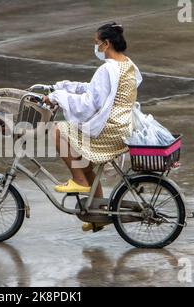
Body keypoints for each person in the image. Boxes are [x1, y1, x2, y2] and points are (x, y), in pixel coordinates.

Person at [43, 22, 143, 232]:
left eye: (97, 43)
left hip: (109, 130)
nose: (96, 47)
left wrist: (57, 97)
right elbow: (98, 91)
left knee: (58, 130)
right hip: (122, 127)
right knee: (85, 161)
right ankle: (97, 215)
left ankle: (78, 180)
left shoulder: (106, 68)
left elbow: (88, 105)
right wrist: (67, 87)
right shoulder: (127, 65)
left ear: (106, 44)